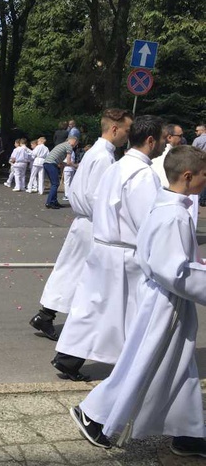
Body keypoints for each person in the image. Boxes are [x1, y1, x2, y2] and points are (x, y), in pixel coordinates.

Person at [70, 145, 206, 458]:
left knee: (182, 367)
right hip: (166, 303)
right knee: (144, 362)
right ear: (188, 176)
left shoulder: (167, 204)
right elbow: (174, 270)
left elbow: (174, 261)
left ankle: (187, 432)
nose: (205, 181)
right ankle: (96, 414)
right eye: (203, 175)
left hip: (168, 299)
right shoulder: (175, 215)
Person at [52, 116, 166, 381]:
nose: (163, 144)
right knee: (129, 314)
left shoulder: (119, 166)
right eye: (162, 139)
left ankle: (69, 358)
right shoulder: (142, 175)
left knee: (92, 309)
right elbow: (147, 220)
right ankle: (133, 367)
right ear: (151, 141)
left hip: (105, 245)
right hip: (124, 252)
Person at [29, 109, 133, 341]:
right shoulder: (104, 157)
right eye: (127, 130)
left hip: (85, 221)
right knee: (89, 277)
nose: (128, 136)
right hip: (95, 223)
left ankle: (46, 315)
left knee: (71, 270)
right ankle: (76, 325)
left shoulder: (95, 152)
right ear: (114, 129)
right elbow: (100, 196)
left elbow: (78, 188)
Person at [152, 124, 198, 225]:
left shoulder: (161, 156)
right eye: (180, 136)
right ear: (169, 137)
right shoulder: (170, 157)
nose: (182, 139)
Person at [42, 136, 78, 209]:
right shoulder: (69, 146)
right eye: (75, 142)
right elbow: (68, 162)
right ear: (72, 140)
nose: (75, 145)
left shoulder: (62, 145)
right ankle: (49, 202)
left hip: (47, 163)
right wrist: (76, 165)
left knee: (54, 184)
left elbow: (61, 163)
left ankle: (54, 201)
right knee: (55, 184)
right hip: (51, 164)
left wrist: (68, 165)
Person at [191, 124, 206, 207]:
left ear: (202, 130)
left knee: (201, 179)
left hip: (200, 162)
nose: (195, 132)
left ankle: (202, 200)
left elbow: (192, 150)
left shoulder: (197, 140)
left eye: (197, 130)